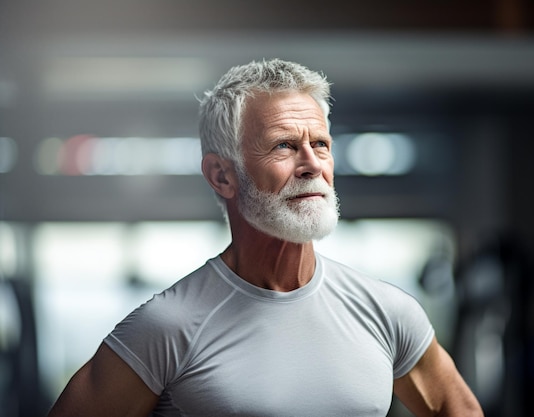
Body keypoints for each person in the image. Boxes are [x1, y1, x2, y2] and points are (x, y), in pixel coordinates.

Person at [47, 58, 484, 417]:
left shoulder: (388, 312)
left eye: (322, 145)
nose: (312, 164)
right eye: (284, 146)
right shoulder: (168, 326)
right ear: (222, 175)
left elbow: (456, 409)